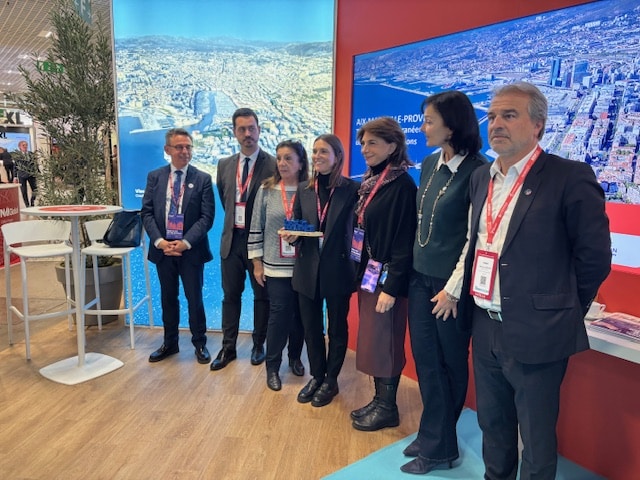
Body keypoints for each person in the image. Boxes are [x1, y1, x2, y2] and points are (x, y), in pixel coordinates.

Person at [458, 82, 611, 480]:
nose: (496, 124)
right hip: (484, 324)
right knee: (493, 426)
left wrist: (560, 307)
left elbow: (594, 258)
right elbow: (480, 245)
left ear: (538, 125)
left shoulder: (568, 176)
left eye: (509, 115)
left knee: (537, 438)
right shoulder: (481, 178)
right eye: (492, 116)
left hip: (538, 329)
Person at [400, 91, 487, 474]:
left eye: (429, 121)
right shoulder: (430, 162)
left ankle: (438, 449)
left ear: (451, 126)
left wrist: (453, 290)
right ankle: (434, 434)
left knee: (448, 363)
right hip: (420, 278)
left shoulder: (478, 171)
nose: (423, 128)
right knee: (426, 361)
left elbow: (475, 238)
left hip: (450, 286)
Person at [282, 134, 359, 407]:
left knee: (337, 328)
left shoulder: (352, 189)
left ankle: (331, 380)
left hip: (338, 269)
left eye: (323, 151)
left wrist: (358, 267)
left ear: (337, 156)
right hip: (307, 269)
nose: (317, 156)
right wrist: (293, 236)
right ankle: (317, 375)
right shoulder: (305, 188)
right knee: (311, 327)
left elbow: (359, 232)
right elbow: (299, 224)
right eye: (314, 151)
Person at [351, 117, 416, 431]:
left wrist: (391, 287)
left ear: (392, 146)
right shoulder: (372, 181)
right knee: (374, 341)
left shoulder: (402, 186)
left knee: (386, 340)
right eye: (363, 143)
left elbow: (405, 242)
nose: (365, 149)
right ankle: (379, 400)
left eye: (373, 143)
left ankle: (388, 408)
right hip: (370, 276)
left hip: (387, 280)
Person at [141, 128, 215, 364]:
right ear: (167, 150)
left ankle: (199, 343)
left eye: (188, 147)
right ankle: (170, 343)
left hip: (191, 251)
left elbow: (206, 218)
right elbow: (147, 212)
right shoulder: (155, 177)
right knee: (168, 298)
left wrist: (184, 243)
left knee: (195, 299)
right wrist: (160, 242)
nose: (185, 151)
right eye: (179, 147)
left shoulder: (202, 179)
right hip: (163, 250)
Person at [212, 108, 276, 370]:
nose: (247, 133)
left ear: (259, 130)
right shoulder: (224, 165)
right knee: (230, 296)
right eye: (242, 129)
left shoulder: (273, 165)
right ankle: (228, 348)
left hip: (260, 244)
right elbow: (225, 198)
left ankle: (259, 344)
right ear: (234, 132)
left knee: (262, 296)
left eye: (251, 128)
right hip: (232, 241)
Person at [248, 140, 309, 391]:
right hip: (275, 266)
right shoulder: (267, 189)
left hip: (304, 266)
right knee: (278, 316)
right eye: (279, 158)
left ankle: (295, 358)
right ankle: (272, 367)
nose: (282, 163)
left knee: (300, 318)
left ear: (301, 163)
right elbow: (256, 226)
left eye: (288, 158)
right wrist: (257, 263)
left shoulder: (310, 190)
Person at [13, 140, 37, 206]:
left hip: (31, 174)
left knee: (35, 190)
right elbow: (15, 167)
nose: (25, 146)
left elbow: (35, 164)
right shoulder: (17, 156)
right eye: (23, 145)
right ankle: (27, 205)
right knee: (24, 191)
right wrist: (15, 177)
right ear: (19, 147)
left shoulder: (31, 154)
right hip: (22, 176)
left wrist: (37, 172)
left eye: (26, 145)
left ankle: (32, 201)